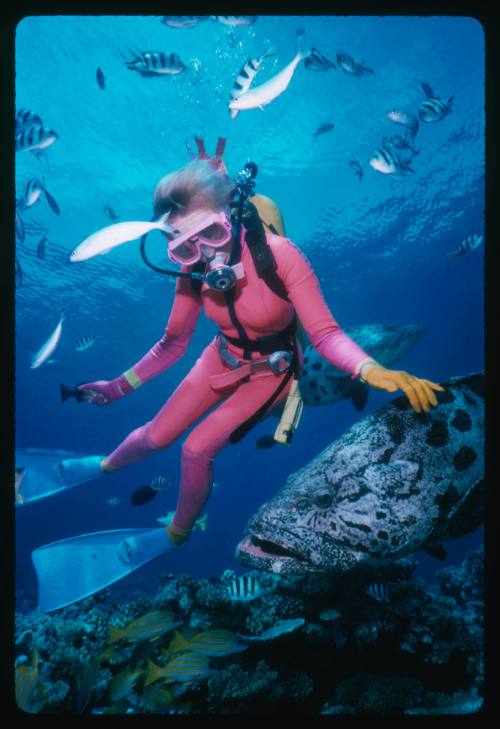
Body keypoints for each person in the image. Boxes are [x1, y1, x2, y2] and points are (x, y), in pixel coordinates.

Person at [55, 155, 444, 550]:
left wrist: (370, 369)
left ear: (231, 213)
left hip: (272, 373)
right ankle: (103, 465)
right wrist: (118, 387)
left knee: (195, 450)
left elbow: (324, 334)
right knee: (156, 435)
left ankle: (176, 533)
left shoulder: (280, 254)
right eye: (185, 247)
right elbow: (172, 344)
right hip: (220, 357)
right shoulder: (193, 272)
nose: (205, 254)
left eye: (211, 233)